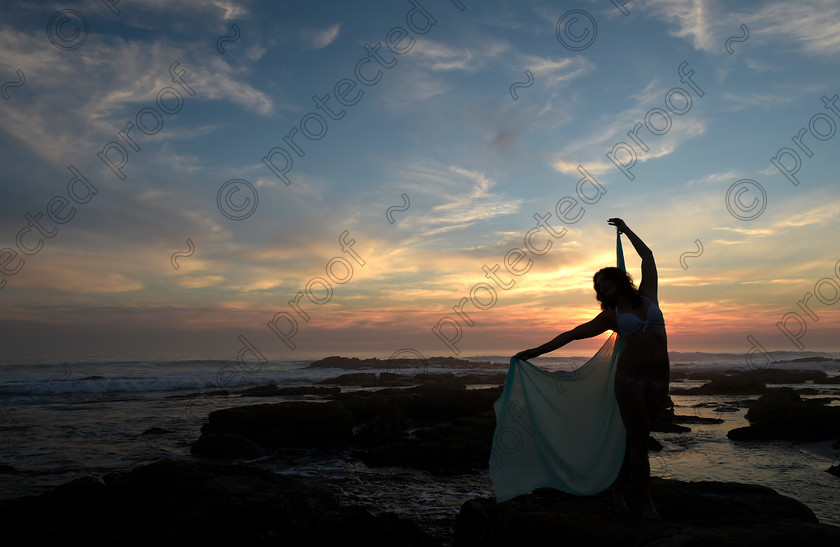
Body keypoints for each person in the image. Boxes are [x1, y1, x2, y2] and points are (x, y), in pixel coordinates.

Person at [513, 218, 669, 520]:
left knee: (637, 438)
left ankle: (617, 489)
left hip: (660, 380)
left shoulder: (649, 296)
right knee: (639, 440)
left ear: (618, 279)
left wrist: (626, 229)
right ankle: (647, 505)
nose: (601, 288)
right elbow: (572, 334)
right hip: (631, 381)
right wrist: (536, 352)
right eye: (598, 287)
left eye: (605, 281)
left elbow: (647, 256)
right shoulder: (611, 317)